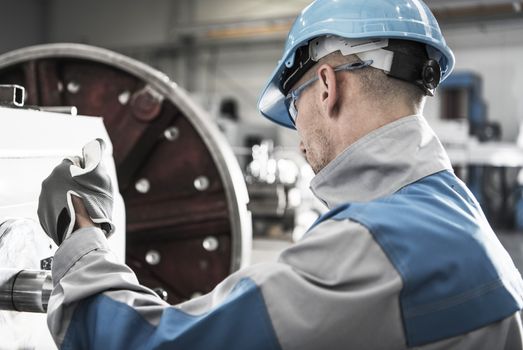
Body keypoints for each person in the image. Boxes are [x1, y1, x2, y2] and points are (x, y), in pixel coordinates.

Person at [38, 0, 523, 349]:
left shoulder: (372, 249)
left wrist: (83, 243)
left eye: (295, 106)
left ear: (327, 86)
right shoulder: (457, 214)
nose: (299, 136)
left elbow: (147, 343)